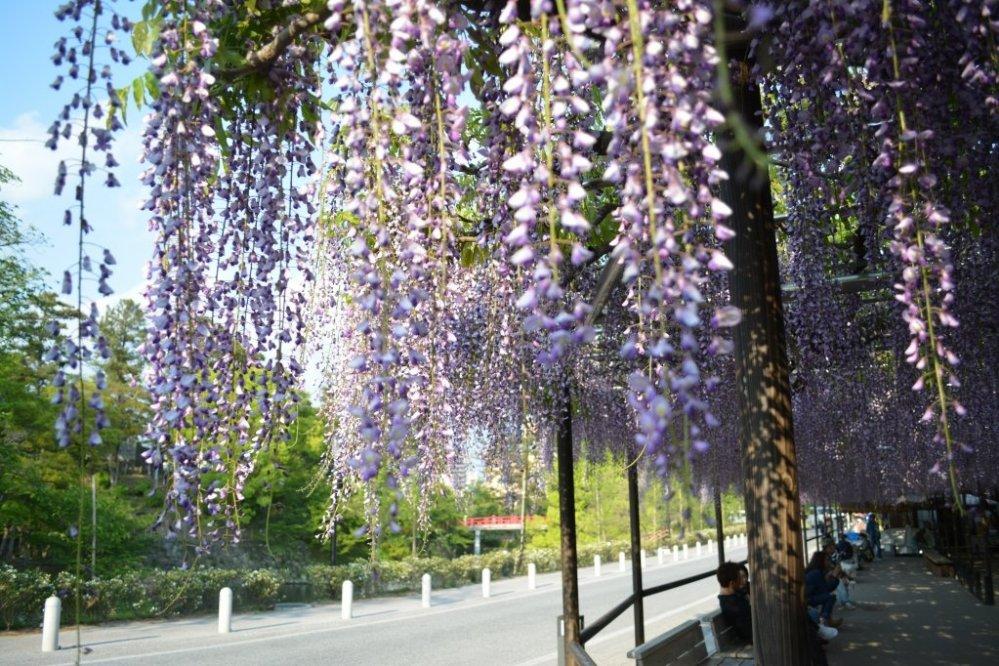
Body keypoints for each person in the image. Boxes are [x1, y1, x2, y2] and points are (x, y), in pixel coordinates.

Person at [805, 550, 843, 628]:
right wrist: (834, 577)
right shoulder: (816, 573)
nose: (828, 562)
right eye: (827, 560)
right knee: (831, 597)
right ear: (820, 561)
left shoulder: (815, 571)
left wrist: (829, 578)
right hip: (808, 599)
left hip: (809, 596)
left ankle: (828, 620)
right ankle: (824, 620)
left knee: (829, 596)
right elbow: (826, 590)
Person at [717, 561, 753, 643]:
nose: (742, 582)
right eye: (739, 579)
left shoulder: (735, 596)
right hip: (751, 638)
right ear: (732, 583)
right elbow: (747, 630)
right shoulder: (731, 603)